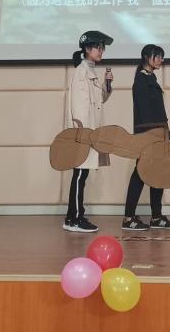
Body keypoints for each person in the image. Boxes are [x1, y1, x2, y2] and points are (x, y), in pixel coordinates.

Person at [63, 30, 114, 233]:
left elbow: (100, 99)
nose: (101, 51)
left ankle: (73, 216)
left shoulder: (90, 71)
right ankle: (74, 218)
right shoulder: (81, 71)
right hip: (84, 132)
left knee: (82, 174)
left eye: (102, 48)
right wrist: (83, 132)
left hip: (90, 131)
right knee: (80, 173)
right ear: (86, 48)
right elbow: (78, 104)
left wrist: (108, 83)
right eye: (98, 48)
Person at [122, 44, 170, 231]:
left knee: (158, 173)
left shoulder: (150, 78)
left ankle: (156, 216)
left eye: (162, 57)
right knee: (140, 173)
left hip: (159, 133)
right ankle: (128, 217)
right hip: (148, 135)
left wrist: (164, 133)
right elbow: (145, 112)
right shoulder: (141, 80)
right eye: (158, 56)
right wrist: (152, 136)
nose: (161, 60)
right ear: (147, 57)